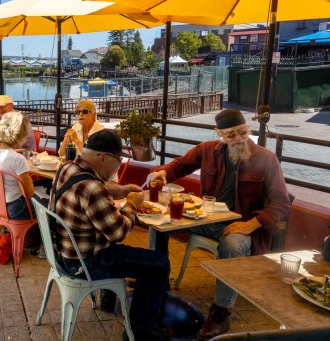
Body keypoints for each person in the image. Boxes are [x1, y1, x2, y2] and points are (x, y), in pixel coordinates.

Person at [149, 109, 291, 340]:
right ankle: (158, 278)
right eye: (231, 135)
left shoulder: (266, 158)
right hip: (205, 217)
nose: (238, 139)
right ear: (219, 134)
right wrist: (163, 173)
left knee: (232, 247)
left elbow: (281, 204)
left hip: (241, 225)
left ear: (248, 129)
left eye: (242, 132)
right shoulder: (207, 150)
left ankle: (221, 312)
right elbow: (179, 166)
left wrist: (250, 225)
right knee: (160, 222)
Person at [53, 129, 171, 341]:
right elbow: (118, 233)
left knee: (137, 259)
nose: (118, 166)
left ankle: (109, 299)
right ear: (102, 157)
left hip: (63, 255)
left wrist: (123, 190)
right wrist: (132, 205)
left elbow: (99, 190)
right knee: (159, 264)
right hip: (88, 263)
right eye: (118, 161)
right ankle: (140, 331)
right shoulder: (92, 187)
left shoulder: (67, 167)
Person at [0, 111, 35, 219]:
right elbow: (28, 194)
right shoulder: (17, 158)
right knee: (48, 205)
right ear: (20, 133)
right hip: (15, 209)